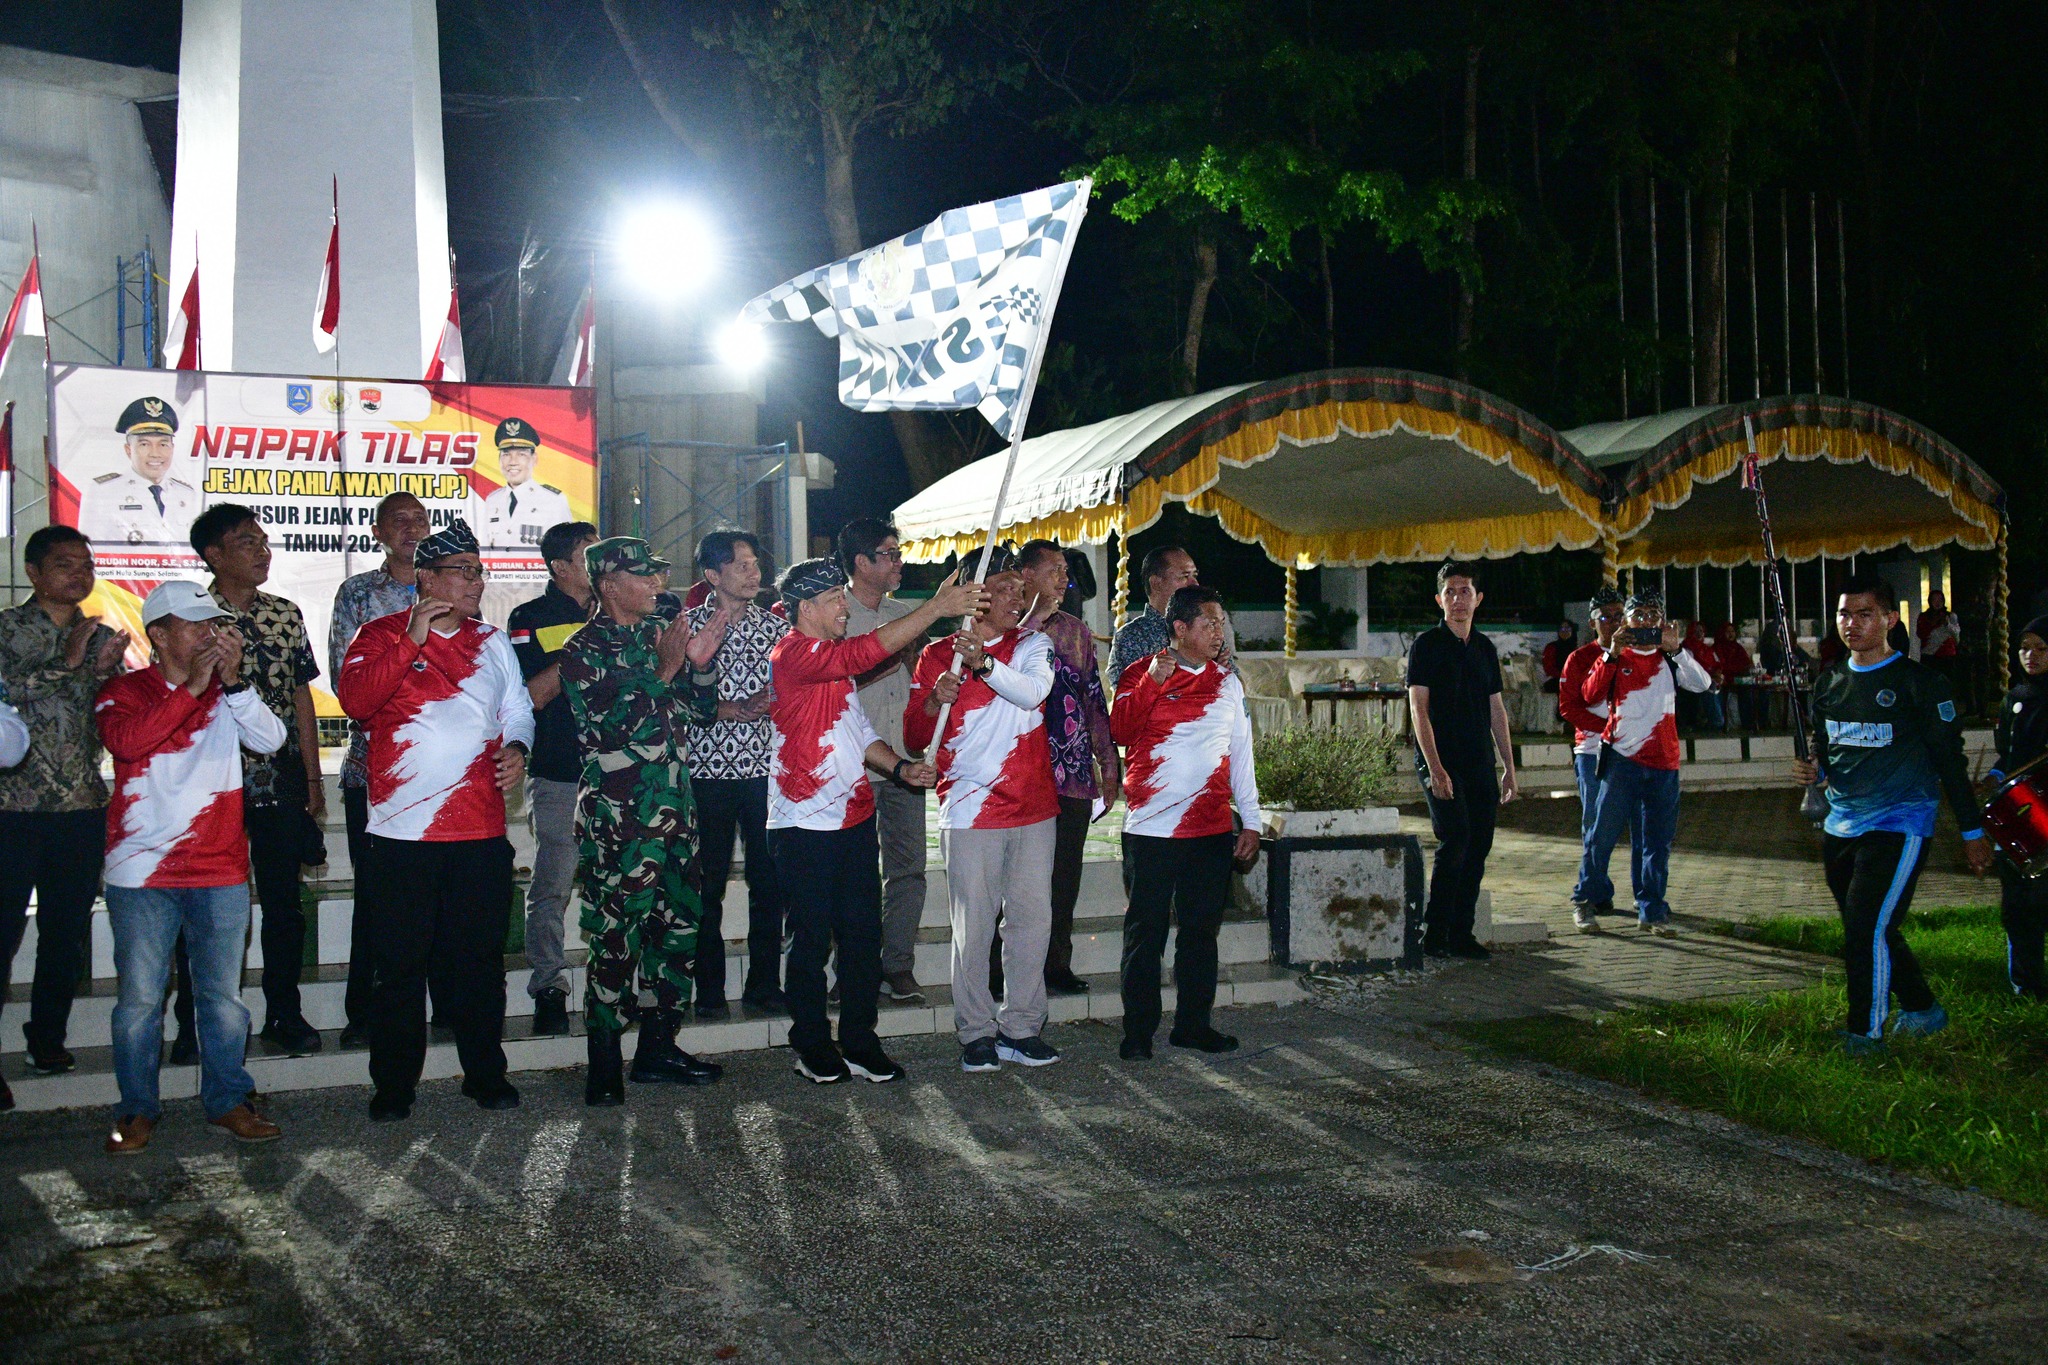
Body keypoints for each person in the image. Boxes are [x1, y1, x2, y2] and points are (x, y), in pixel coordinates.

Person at [337, 518, 534, 1121]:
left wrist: (519, 751)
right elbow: (357, 701)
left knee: (479, 965)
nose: (476, 582)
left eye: (479, 571)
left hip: (478, 833)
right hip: (401, 837)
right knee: (399, 969)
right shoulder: (378, 635)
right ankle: (395, 1085)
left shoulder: (493, 641)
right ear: (427, 577)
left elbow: (518, 710)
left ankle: (484, 1075)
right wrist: (411, 639)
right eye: (463, 571)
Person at [769, 558, 985, 1085]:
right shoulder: (794, 653)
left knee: (863, 938)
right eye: (834, 600)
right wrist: (935, 609)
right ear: (806, 608)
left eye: (844, 597)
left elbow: (857, 730)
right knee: (812, 940)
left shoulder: (834, 669)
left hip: (853, 817)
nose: (846, 607)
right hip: (802, 824)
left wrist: (902, 767)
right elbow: (865, 652)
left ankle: (861, 1040)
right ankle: (811, 1043)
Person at [96, 581, 286, 1154]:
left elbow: (271, 738)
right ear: (159, 633)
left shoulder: (229, 693)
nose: (211, 634)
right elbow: (129, 743)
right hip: (140, 875)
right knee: (139, 1003)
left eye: (214, 625)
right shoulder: (124, 691)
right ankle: (135, 1110)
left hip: (220, 869)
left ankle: (228, 1100)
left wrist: (232, 685)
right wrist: (191, 689)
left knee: (222, 1000)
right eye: (196, 624)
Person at [559, 537, 730, 1104]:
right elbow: (610, 728)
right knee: (616, 936)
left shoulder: (659, 636)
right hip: (620, 821)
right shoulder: (583, 648)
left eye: (657, 575)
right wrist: (667, 665)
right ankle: (603, 1060)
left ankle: (658, 1048)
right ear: (609, 586)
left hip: (677, 813)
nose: (657, 585)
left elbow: (699, 713)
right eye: (643, 576)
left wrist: (698, 668)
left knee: (678, 930)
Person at [1793, 575, 1992, 1056]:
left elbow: (1950, 763)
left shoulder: (1920, 684)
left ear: (1889, 619)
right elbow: (1826, 748)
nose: (1851, 624)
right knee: (1870, 926)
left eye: (1864, 614)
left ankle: (1864, 1034)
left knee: (1866, 927)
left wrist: (1972, 832)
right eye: (1844, 614)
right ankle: (1924, 1010)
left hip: (1901, 821)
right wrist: (1813, 769)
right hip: (1841, 822)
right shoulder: (1830, 682)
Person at [904, 550, 1062, 1073]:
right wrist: (933, 701)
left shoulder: (1034, 644)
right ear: (975, 594)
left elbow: (1033, 694)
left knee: (1031, 922)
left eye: (1021, 587)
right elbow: (914, 736)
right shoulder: (935, 656)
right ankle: (975, 1032)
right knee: (973, 928)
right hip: (970, 810)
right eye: (1006, 586)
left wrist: (984, 665)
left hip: (1034, 807)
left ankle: (1022, 1028)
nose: (1019, 596)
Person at [185, 504, 326, 1057]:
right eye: (247, 542)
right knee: (202, 904)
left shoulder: (285, 614)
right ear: (214, 555)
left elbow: (300, 696)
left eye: (264, 541)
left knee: (284, 904)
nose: (263, 550)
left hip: (280, 777)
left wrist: (313, 780)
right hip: (210, 780)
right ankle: (194, 1024)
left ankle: (283, 1015)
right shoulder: (189, 618)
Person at [1110, 585, 1264, 1058]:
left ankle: (1193, 1025)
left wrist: (1252, 822)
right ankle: (1138, 1033)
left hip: (1211, 830)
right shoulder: (1142, 672)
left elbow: (1242, 756)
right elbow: (1119, 731)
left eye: (1221, 623)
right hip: (1151, 832)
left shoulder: (1227, 682)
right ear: (1180, 628)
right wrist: (1153, 683)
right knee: (1145, 936)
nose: (1219, 632)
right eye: (1210, 623)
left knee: (1201, 935)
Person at [0, 526, 128, 1086]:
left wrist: (104, 676)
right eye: (63, 564)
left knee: (65, 932)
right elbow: (8, 689)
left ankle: (46, 1040)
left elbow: (114, 717)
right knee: (3, 932)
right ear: (33, 573)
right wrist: (69, 662)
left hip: (79, 806)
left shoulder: (98, 635)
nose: (78, 573)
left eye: (86, 563)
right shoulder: (7, 627)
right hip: (12, 807)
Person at [329, 490, 434, 1048]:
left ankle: (440, 1010)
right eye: (399, 521)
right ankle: (365, 1013)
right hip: (375, 770)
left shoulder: (445, 588)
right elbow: (348, 681)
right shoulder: (358, 594)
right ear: (377, 532)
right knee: (376, 896)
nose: (412, 529)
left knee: (438, 895)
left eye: (420, 519)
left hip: (440, 774)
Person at [686, 529, 790, 1017]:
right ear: (713, 575)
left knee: (769, 881)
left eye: (755, 564)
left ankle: (765, 983)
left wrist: (771, 700)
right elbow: (666, 697)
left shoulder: (777, 631)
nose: (754, 573)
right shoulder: (685, 627)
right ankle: (707, 988)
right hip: (706, 774)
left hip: (766, 774)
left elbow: (793, 689)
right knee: (706, 883)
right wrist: (720, 708)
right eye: (742, 565)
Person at [505, 519, 599, 1037]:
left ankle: (624, 985)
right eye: (590, 553)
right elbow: (534, 694)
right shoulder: (531, 617)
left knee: (623, 881)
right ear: (562, 566)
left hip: (621, 771)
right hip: (561, 769)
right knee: (552, 884)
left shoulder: (622, 608)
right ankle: (548, 986)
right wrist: (583, 641)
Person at [1018, 539, 1120, 995]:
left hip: (1072, 774)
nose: (1064, 578)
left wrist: (1108, 765)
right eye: (1055, 569)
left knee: (1064, 877)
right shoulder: (1002, 629)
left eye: (1065, 571)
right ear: (1026, 575)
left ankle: (1056, 965)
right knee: (1016, 878)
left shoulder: (1075, 632)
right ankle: (1005, 969)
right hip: (1020, 774)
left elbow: (1094, 702)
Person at [1578, 589, 1712, 935]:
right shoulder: (1616, 655)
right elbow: (1589, 695)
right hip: (1621, 760)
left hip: (1663, 763)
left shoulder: (1669, 658)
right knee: (1602, 835)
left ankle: (1651, 909)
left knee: (1656, 841)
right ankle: (1586, 898)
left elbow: (1703, 684)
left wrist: (1678, 649)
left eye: (1654, 616)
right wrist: (1612, 652)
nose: (1647, 623)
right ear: (1626, 621)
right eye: (1639, 616)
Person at [837, 517, 931, 1005]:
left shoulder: (904, 615)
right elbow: (833, 688)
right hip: (855, 763)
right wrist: (883, 659)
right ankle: (851, 969)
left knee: (909, 868)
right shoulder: (833, 615)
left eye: (898, 552)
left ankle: (897, 964)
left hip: (904, 761)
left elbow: (921, 685)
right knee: (852, 875)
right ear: (862, 562)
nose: (899, 562)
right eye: (890, 554)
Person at [1405, 562, 1518, 959]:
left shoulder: (1485, 648)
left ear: (1478, 598)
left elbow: (1496, 710)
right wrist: (1435, 768)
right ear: (1439, 600)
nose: (1458, 600)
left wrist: (1508, 765)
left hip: (1479, 761)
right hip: (1440, 759)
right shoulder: (1426, 645)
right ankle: (1434, 932)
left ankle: (1461, 932)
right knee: (1456, 839)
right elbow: (1418, 709)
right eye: (1450, 592)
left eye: (1465, 591)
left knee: (1480, 843)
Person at [1988, 618, 2048, 999]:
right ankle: (2026, 985)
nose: (2031, 656)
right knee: (2019, 901)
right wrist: (1996, 775)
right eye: (2025, 647)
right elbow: (2007, 756)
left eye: (2041, 648)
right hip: (2022, 807)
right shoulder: (2014, 698)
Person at [1559, 586, 1625, 932]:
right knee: (1595, 824)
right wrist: (1609, 727)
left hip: (1633, 750)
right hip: (1593, 750)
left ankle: (1603, 889)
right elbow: (1569, 707)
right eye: (1605, 617)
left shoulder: (1638, 654)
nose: (1613, 623)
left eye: (1618, 616)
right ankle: (1584, 897)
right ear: (1592, 621)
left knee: (1618, 827)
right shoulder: (1580, 658)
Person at [78, 396, 200, 545]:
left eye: (163, 444)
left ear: (172, 449)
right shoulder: (103, 492)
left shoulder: (187, 495)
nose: (155, 453)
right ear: (129, 450)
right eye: (144, 444)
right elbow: (91, 553)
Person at [1110, 544, 1236, 679]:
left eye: (1195, 575)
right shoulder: (1132, 637)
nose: (1195, 583)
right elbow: (1128, 696)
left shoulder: (1206, 628)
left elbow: (1238, 690)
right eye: (1185, 576)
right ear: (1156, 583)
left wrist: (1221, 674)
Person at [471, 418, 573, 550]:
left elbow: (565, 551)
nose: (512, 462)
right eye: (506, 454)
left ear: (534, 459)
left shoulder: (553, 501)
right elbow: (485, 552)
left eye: (521, 454)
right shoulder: (493, 500)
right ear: (499, 459)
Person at [1682, 620, 1726, 731]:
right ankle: (1716, 722)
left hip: (1711, 679)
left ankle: (1717, 721)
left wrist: (1717, 674)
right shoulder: (1686, 648)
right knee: (1709, 686)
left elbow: (1718, 664)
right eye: (1696, 631)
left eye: (1701, 631)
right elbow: (1689, 668)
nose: (1699, 633)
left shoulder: (1707, 649)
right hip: (1695, 681)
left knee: (1718, 685)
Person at [1917, 588, 1962, 690]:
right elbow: (1921, 634)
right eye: (1934, 599)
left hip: (1947, 656)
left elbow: (1957, 635)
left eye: (1940, 600)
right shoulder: (1924, 617)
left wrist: (1947, 624)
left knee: (1947, 685)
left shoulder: (1951, 616)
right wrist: (1933, 623)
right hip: (1929, 656)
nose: (1937, 603)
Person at [1713, 622, 1754, 730]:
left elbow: (1747, 663)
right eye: (1727, 632)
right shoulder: (1718, 647)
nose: (1730, 634)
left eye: (1732, 631)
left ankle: (1751, 723)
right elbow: (1721, 666)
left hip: (1740, 680)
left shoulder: (1737, 647)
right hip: (1725, 680)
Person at [1540, 621, 1576, 695]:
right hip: (1556, 680)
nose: (1564, 631)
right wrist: (1563, 676)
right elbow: (1548, 667)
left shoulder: (1575, 649)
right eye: (1562, 629)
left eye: (1567, 629)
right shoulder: (1552, 647)